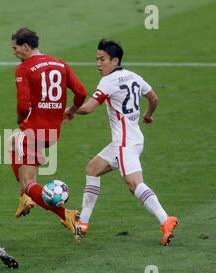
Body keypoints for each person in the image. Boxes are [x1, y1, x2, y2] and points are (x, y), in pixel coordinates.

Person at [63, 39, 179, 246]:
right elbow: (154, 99)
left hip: (125, 144)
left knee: (134, 184)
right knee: (92, 168)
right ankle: (84, 222)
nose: (99, 64)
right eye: (97, 59)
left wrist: (69, 110)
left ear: (115, 60)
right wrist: (148, 115)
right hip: (130, 140)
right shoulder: (134, 76)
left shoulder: (108, 81)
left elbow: (88, 108)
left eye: (103, 59)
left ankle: (166, 220)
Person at [9, 27, 88, 240]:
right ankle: (25, 198)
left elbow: (24, 104)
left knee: (29, 184)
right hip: (52, 132)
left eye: (15, 48)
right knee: (12, 140)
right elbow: (81, 92)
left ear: (26, 46)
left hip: (33, 130)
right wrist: (71, 110)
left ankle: (66, 215)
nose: (14, 53)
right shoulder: (60, 64)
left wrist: (21, 119)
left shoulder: (24, 69)